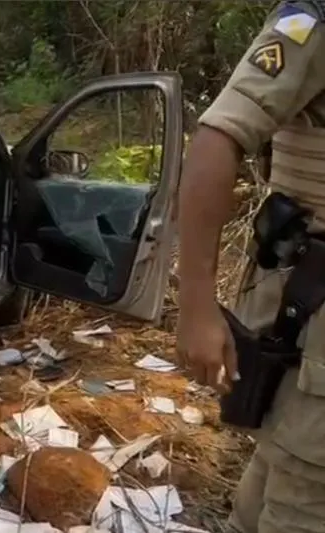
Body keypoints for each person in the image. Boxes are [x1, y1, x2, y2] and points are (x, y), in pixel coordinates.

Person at [177, 1, 325, 531]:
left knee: (271, 484)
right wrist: (195, 305)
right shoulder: (313, 23)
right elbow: (219, 137)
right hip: (309, 317)